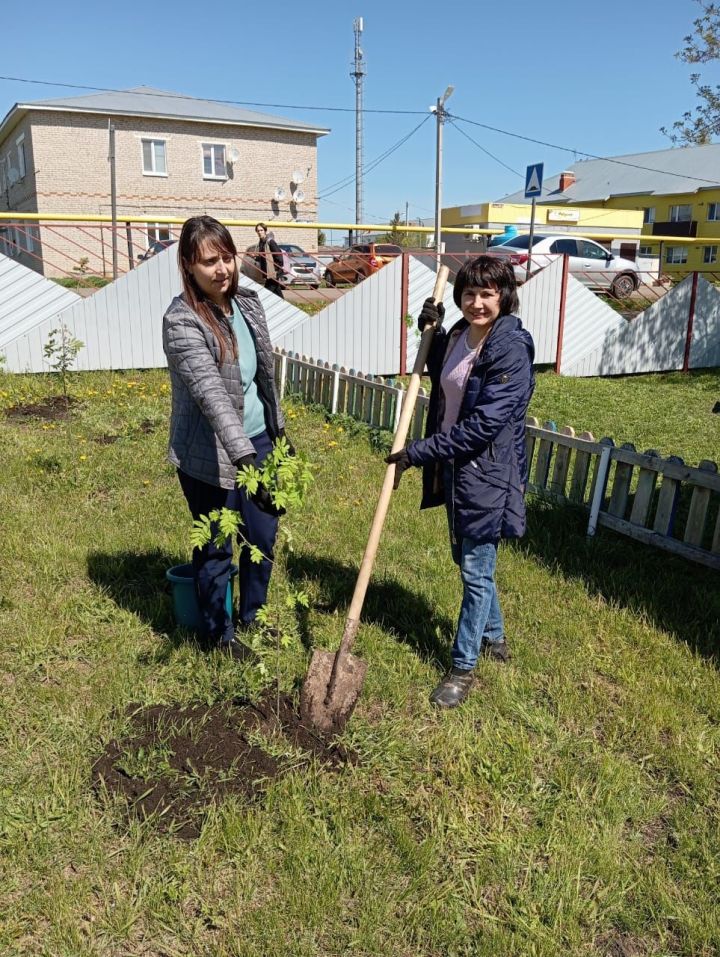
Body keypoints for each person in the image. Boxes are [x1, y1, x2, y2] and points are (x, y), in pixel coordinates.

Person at [386, 256, 535, 708]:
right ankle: (495, 637)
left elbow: (483, 424)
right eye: (469, 293)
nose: (477, 302)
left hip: (486, 472)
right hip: (456, 469)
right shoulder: (458, 336)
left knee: (474, 571)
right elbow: (447, 380)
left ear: (504, 297)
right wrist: (430, 333)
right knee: (469, 562)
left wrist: (418, 452)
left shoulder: (511, 346)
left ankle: (462, 668)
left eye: (487, 294)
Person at [163, 215, 290, 661]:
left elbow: (263, 379)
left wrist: (277, 437)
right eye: (210, 261)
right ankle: (221, 635)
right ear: (188, 266)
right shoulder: (182, 322)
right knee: (217, 544)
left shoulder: (249, 304)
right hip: (209, 454)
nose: (223, 269)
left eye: (228, 257)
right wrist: (244, 456)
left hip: (259, 442)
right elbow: (211, 395)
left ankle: (255, 616)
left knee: (261, 536)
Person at [254, 223, 286, 298]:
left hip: (273, 273)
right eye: (258, 231)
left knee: (265, 295)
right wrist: (257, 258)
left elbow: (279, 257)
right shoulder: (261, 243)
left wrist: (275, 270)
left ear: (265, 231)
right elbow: (264, 257)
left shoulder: (270, 242)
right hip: (268, 273)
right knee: (278, 293)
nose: (259, 232)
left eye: (261, 230)